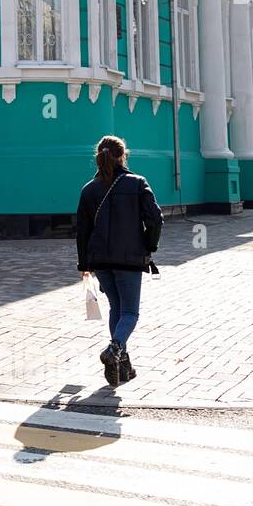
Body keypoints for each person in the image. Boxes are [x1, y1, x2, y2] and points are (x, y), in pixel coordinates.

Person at [75, 135, 162, 387]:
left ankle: (121, 363)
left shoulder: (88, 189)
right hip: (130, 260)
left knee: (116, 308)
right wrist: (148, 247)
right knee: (131, 312)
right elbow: (155, 220)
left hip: (100, 261)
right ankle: (114, 350)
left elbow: (82, 231)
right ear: (123, 155)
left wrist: (84, 265)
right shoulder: (137, 183)